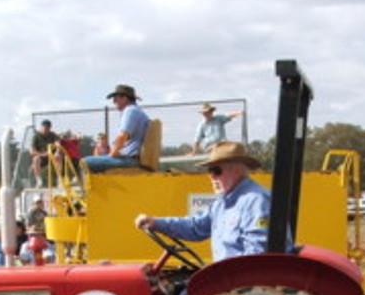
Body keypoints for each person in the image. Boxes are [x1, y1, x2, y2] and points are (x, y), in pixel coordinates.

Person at [134, 141, 281, 263]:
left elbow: (258, 256)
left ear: (236, 170)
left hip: (242, 282)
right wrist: (156, 223)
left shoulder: (256, 201)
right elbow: (195, 227)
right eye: (209, 172)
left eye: (216, 171)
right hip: (230, 278)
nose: (211, 177)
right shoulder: (221, 204)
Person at [81, 85, 149, 173]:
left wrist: (113, 153)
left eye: (116, 98)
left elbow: (122, 136)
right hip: (133, 158)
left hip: (130, 160)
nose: (113, 101)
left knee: (85, 162)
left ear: (125, 98)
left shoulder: (130, 111)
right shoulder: (137, 110)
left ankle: (86, 187)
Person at [30, 119, 59, 187]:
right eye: (45, 127)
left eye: (48, 128)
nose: (46, 129)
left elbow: (58, 144)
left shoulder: (53, 135)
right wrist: (43, 154)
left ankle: (59, 178)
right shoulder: (36, 136)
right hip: (42, 157)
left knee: (59, 156)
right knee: (36, 159)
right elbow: (32, 151)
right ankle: (39, 180)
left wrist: (57, 151)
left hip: (52, 157)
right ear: (41, 127)